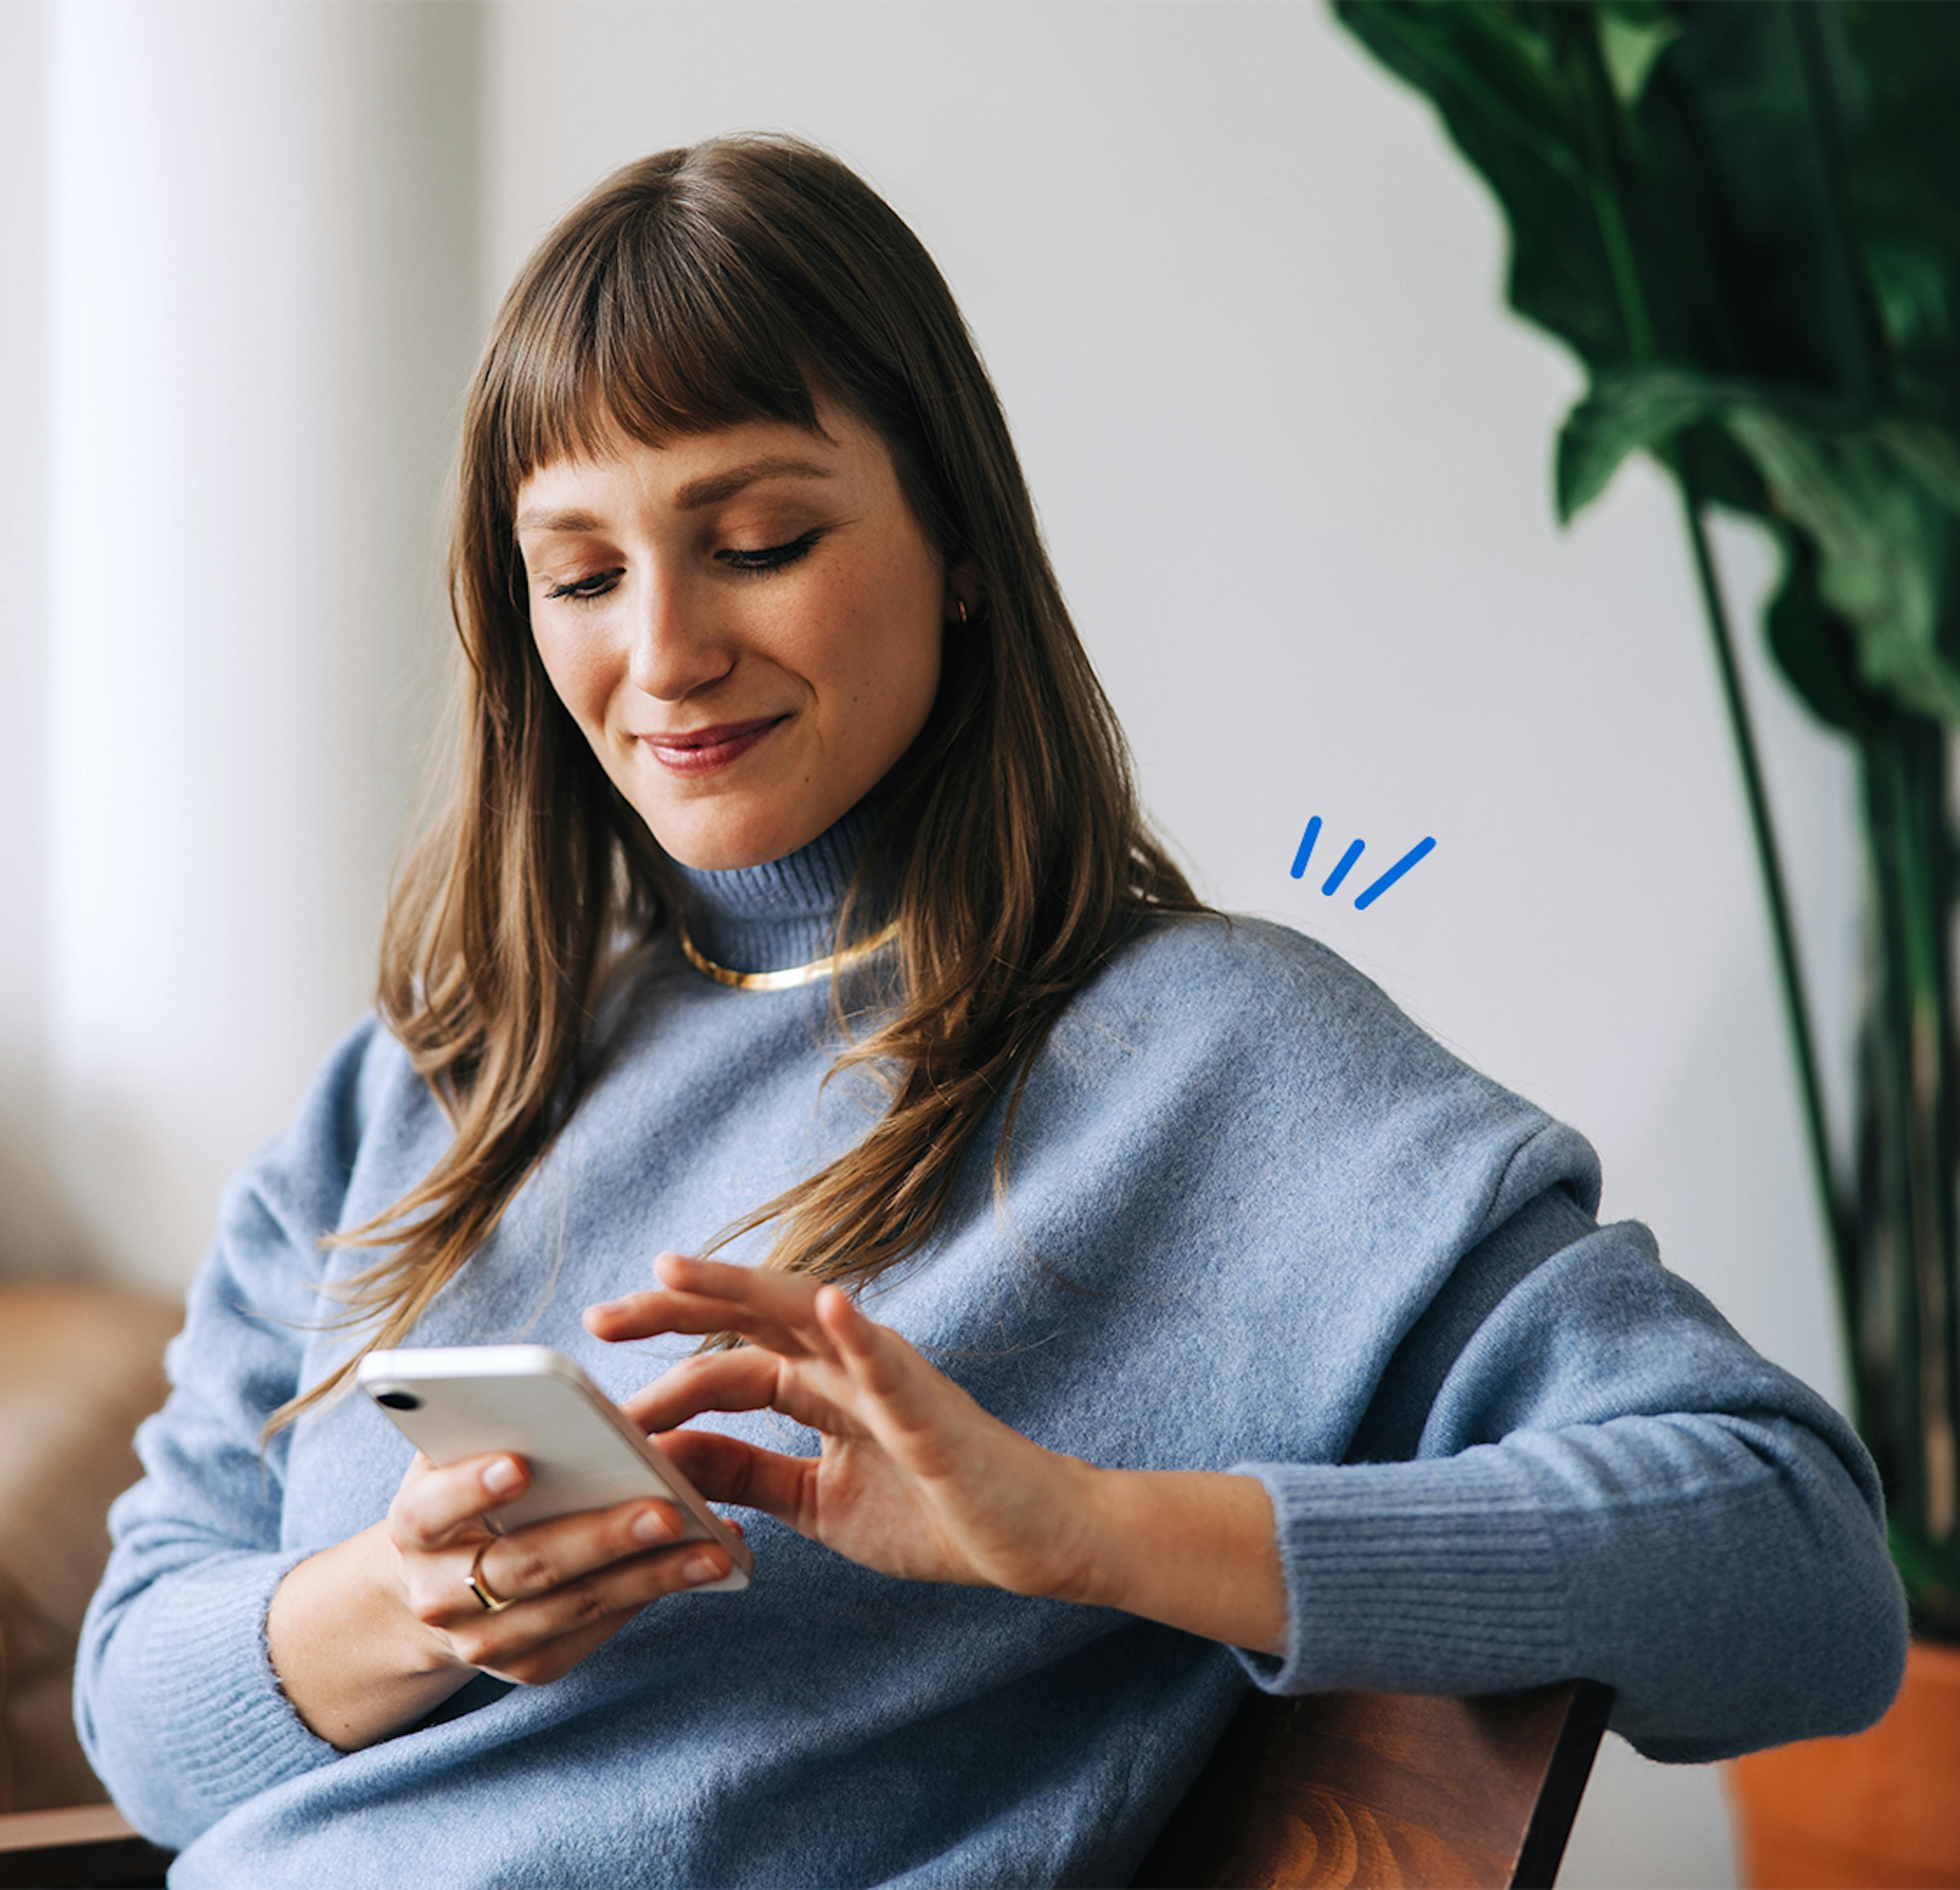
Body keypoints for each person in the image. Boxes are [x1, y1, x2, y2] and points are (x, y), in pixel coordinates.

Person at [76, 133, 1906, 1888]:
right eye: (582, 574)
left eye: (763, 540)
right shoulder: (424, 1084)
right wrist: (402, 1604)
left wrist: (1094, 1534)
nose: (664, 652)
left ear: (956, 542)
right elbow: (137, 1712)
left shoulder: (1215, 1063)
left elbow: (1802, 1569)